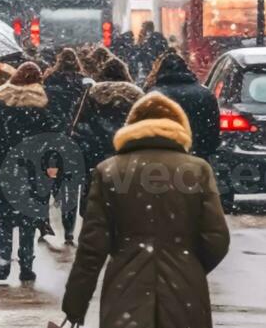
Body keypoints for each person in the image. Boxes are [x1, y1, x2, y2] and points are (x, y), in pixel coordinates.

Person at [62, 92, 230, 328]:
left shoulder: (109, 171)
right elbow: (216, 238)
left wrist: (75, 303)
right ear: (178, 128)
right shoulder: (196, 170)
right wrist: (189, 267)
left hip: (127, 296)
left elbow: (92, 247)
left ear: (132, 128)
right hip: (185, 299)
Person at [0, 62, 53, 283]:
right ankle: (26, 264)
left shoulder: (0, 107)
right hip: (33, 172)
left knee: (4, 218)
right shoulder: (41, 109)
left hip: (4, 170)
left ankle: (3, 260)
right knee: (29, 219)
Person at [71, 57, 142, 212]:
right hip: (127, 153)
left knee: (95, 197)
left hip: (97, 153)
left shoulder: (93, 92)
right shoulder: (136, 94)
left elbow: (79, 125)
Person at [43, 49, 92, 244]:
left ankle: (57, 195)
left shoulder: (49, 81)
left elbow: (45, 108)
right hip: (76, 138)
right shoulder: (83, 83)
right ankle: (69, 229)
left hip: (54, 137)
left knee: (55, 177)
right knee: (71, 184)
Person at [145, 51, 220, 163]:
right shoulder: (205, 94)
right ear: (187, 69)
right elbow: (213, 132)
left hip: (163, 161)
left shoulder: (153, 95)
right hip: (198, 158)